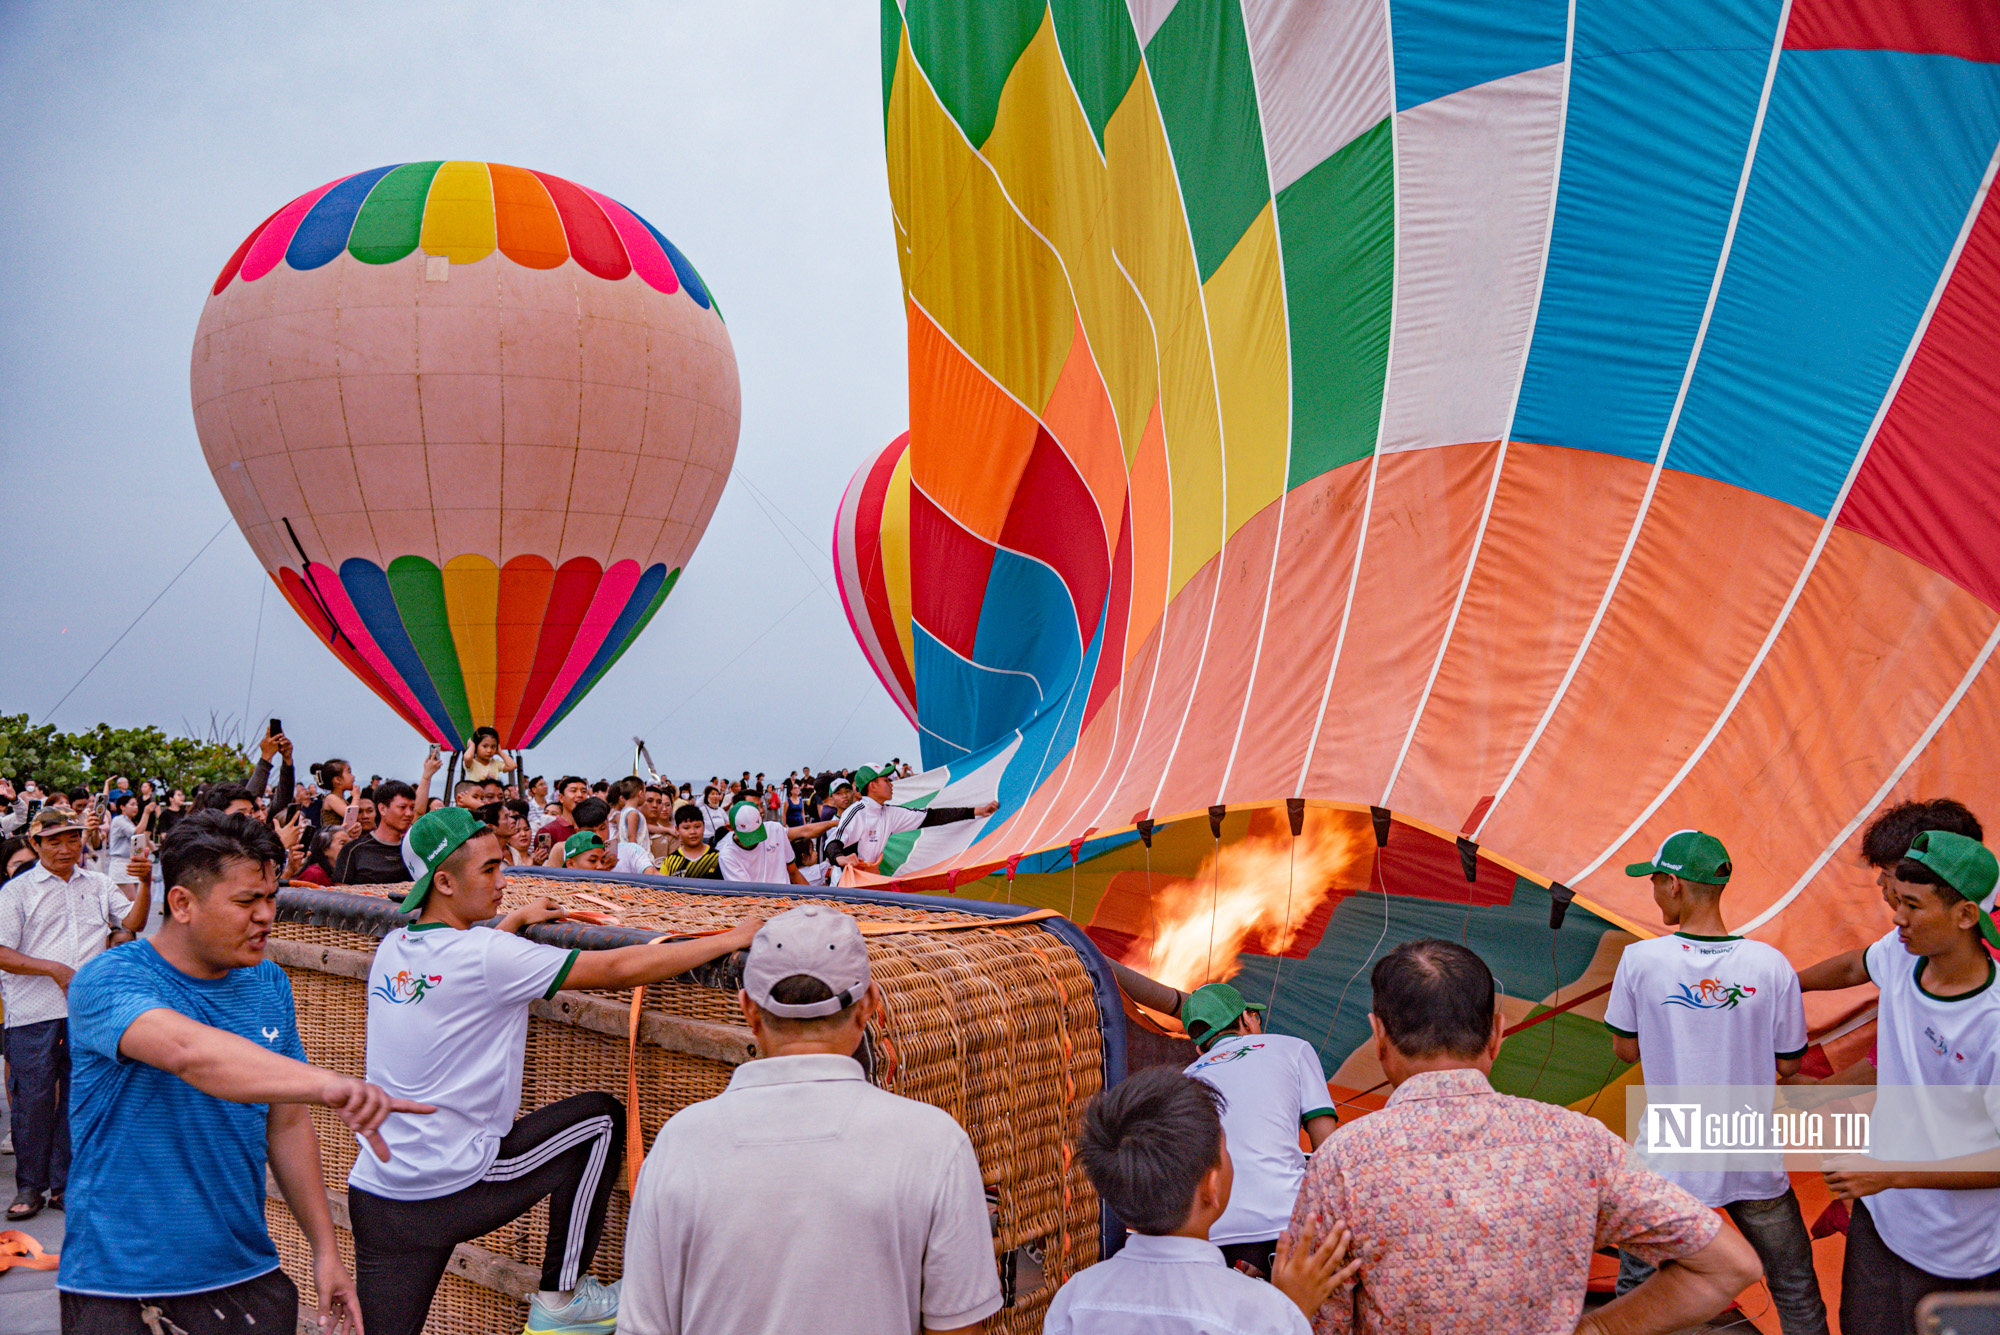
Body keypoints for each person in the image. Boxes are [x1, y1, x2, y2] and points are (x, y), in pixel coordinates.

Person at [345, 807, 763, 1335]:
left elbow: (466, 955)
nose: (505, 881)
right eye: (491, 871)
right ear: (445, 882)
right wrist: (727, 940)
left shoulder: (394, 949)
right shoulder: (488, 954)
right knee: (601, 1121)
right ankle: (562, 1298)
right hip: (450, 1187)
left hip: (377, 1193)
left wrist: (512, 923)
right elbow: (615, 968)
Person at [58, 810, 428, 1331]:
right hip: (125, 1285)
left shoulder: (267, 982)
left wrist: (326, 1250)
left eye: (271, 897)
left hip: (247, 1271)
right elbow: (191, 1053)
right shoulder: (107, 980)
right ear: (181, 903)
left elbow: (288, 1121)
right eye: (245, 901)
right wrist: (332, 1085)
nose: (265, 916)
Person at [1289, 938, 1759, 1335]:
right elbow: (1729, 1265)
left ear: (1379, 1036)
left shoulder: (1342, 1162)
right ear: (1497, 1032)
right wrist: (1599, 1328)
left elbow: (1320, 1321)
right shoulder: (1577, 1141)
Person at [621, 904, 1002, 1334]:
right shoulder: (934, 1142)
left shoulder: (681, 1143)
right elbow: (958, 1326)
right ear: (869, 1005)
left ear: (748, 1008)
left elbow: (644, 1326)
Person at [1603, 830, 1825, 1333]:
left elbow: (1625, 1048)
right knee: (1795, 1287)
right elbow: (1789, 1064)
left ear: (1675, 885)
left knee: (1637, 1295)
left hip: (1668, 1158)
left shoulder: (1642, 961)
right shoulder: (1771, 966)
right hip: (1749, 1154)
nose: (1654, 891)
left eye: (1655, 881)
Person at [1793, 828, 2000, 1331]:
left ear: (1965, 915)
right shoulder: (1901, 953)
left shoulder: (1991, 1021)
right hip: (1882, 1219)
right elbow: (1851, 967)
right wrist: (1778, 989)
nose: (1897, 917)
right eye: (1896, 900)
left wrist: (1890, 1173)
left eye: (1912, 905)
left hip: (1956, 1252)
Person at [1044, 1067, 1358, 1335]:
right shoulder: (1263, 1312)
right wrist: (1293, 1311)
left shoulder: (1073, 1300)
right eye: (1225, 1150)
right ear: (1211, 1185)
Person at [0, 807, 151, 1220]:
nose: (66, 848)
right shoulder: (17, 891)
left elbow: (132, 920)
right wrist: (53, 969)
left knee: (76, 1095)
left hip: (84, 1009)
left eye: (72, 838)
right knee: (32, 1099)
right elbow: (1, 953)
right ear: (35, 844)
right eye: (54, 841)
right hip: (33, 1011)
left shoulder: (98, 883)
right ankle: (30, 1186)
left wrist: (145, 883)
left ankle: (65, 1184)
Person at [1174, 982, 1338, 1279]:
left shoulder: (1188, 1076)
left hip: (1212, 1237)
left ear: (1200, 1045)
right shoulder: (1293, 1047)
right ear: (1247, 1018)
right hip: (1286, 1227)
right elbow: (1328, 1146)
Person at [824, 765, 998, 877]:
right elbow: (833, 842)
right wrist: (841, 858)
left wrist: (977, 811)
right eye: (886, 780)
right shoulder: (857, 812)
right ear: (873, 786)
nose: (891, 784)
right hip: (846, 885)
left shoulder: (889, 813)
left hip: (869, 881)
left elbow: (932, 817)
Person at [333, 779, 419, 886]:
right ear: (382, 809)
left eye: (412, 808)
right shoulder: (354, 850)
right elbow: (340, 894)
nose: (409, 814)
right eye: (402, 807)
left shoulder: (414, 850)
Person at [718, 800, 807, 884]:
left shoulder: (775, 829)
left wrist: (813, 897)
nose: (754, 841)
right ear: (730, 828)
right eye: (748, 836)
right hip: (757, 899)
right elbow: (746, 895)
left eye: (756, 833)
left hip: (786, 897)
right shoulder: (727, 856)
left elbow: (793, 872)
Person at [658, 804, 722, 880]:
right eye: (686, 828)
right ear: (677, 830)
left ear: (704, 826)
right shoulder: (670, 862)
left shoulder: (718, 858)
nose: (693, 832)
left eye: (697, 827)